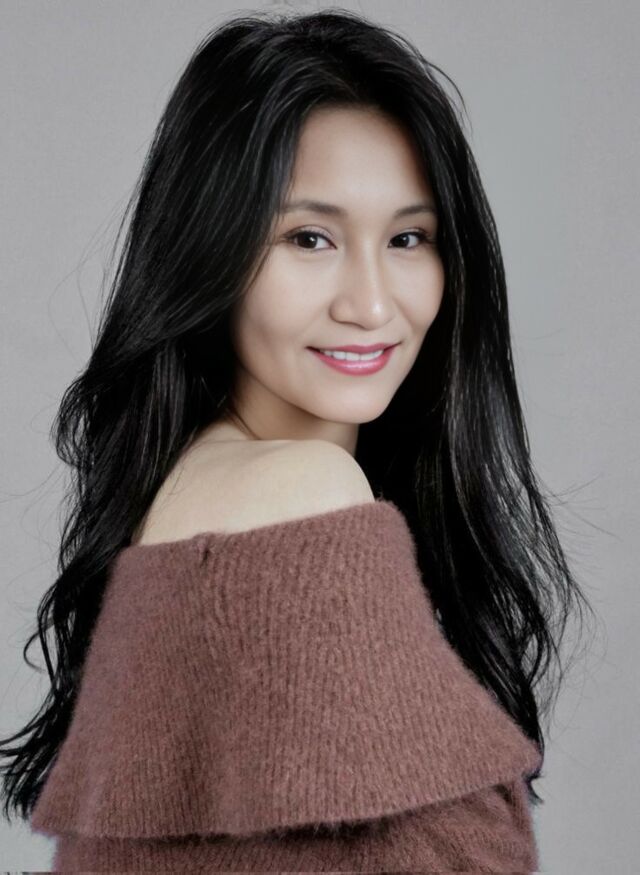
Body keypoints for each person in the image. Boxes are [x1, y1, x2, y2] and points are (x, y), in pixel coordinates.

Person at [0, 8, 594, 871]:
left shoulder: (183, 493)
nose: (372, 302)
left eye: (408, 238)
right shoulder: (305, 491)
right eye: (309, 238)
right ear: (210, 249)